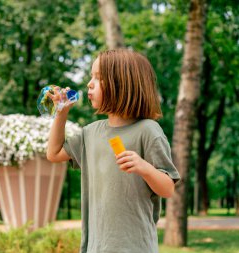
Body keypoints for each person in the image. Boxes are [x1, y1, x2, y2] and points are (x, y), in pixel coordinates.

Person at [46, 49, 181, 253]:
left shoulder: (148, 130)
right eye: (91, 76)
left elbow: (168, 188)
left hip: (135, 247)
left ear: (122, 84)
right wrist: (61, 113)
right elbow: (53, 154)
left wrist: (144, 168)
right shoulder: (90, 133)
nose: (89, 83)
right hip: (96, 247)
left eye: (98, 78)